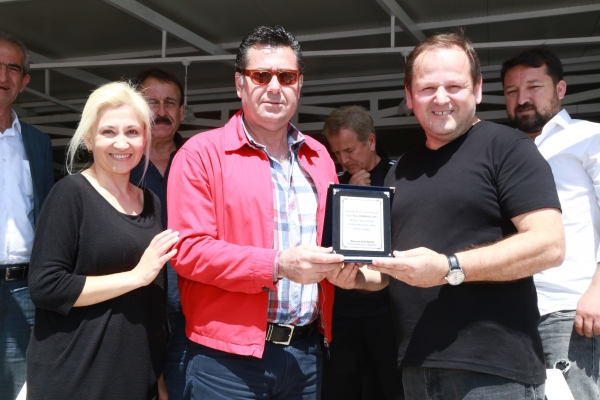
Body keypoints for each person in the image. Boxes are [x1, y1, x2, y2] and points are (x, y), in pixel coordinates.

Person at [329, 32, 565, 400]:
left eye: (454, 86)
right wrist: (355, 277)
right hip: (415, 369)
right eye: (427, 88)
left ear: (477, 90)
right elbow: (391, 271)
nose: (441, 98)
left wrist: (449, 267)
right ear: (409, 96)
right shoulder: (400, 170)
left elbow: (549, 245)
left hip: (495, 372)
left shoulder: (508, 147)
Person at [167, 25, 343, 399]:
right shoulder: (200, 154)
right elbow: (188, 251)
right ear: (240, 84)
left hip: (307, 354)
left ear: (300, 84)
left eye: (287, 76)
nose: (274, 87)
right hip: (227, 360)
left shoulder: (319, 156)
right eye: (261, 75)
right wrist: (277, 265)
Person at [26, 81, 179, 400]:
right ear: (88, 138)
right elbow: (46, 287)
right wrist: (135, 277)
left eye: (132, 132)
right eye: (108, 132)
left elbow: (153, 303)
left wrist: (158, 377)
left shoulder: (151, 202)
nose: (121, 143)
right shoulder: (70, 194)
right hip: (76, 376)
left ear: (146, 138)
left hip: (136, 377)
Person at [502, 46, 600, 399]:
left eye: (534, 87)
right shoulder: (503, 152)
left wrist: (598, 291)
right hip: (514, 317)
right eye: (512, 91)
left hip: (572, 310)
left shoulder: (589, 137)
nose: (522, 99)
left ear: (560, 89)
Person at [321, 105, 402, 400]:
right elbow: (323, 240)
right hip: (343, 308)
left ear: (371, 141)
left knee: (392, 388)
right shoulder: (335, 182)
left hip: (389, 307)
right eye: (337, 153)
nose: (344, 159)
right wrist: (348, 194)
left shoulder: (400, 175)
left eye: (349, 150)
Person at [0, 31, 54, 400]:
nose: (3, 77)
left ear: (24, 81)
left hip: (23, 289)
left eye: (13, 68)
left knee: (19, 389)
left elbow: (46, 214)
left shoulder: (37, 142)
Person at [131, 68, 187, 400]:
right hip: (136, 297)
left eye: (170, 103)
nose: (161, 111)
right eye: (152, 102)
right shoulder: (120, 161)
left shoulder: (201, 158)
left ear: (182, 111)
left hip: (194, 294)